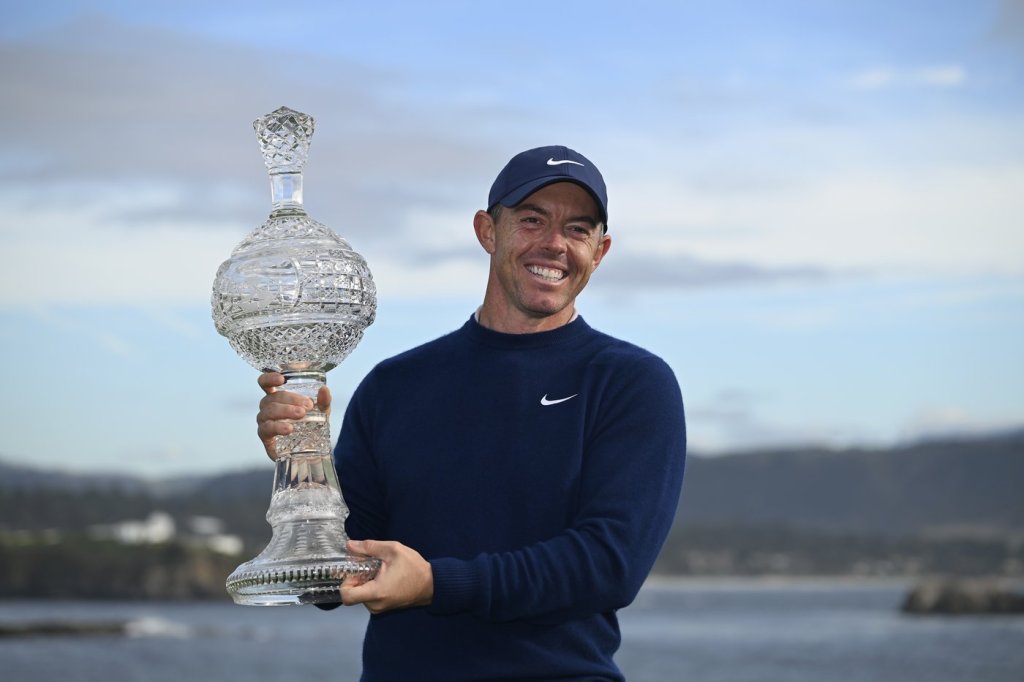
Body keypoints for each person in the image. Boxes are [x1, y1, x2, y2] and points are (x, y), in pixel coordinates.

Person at [257, 145, 687, 681]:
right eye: (532, 220)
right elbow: (327, 576)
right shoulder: (395, 385)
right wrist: (303, 463)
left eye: (578, 229)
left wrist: (435, 584)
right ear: (488, 231)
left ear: (599, 252)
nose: (555, 244)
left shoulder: (629, 382)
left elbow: (608, 566)